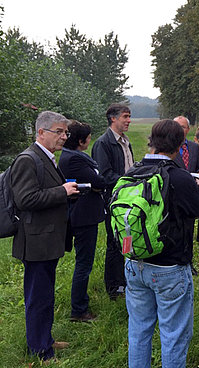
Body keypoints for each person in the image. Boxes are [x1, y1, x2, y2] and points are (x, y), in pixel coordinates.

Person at [124, 119, 199, 368]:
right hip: (170, 266)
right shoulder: (180, 178)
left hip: (134, 261)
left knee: (138, 331)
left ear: (152, 140)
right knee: (173, 335)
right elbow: (198, 210)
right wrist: (197, 188)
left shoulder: (132, 173)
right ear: (181, 143)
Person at [11, 111, 80, 361]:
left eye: (66, 132)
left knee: (45, 294)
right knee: (37, 298)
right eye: (59, 132)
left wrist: (65, 192)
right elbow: (25, 199)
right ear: (41, 132)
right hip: (36, 242)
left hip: (47, 240)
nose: (64, 137)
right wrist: (62, 192)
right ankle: (40, 350)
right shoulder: (28, 160)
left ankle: (45, 339)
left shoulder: (47, 157)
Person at [58, 121, 106, 322]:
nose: (89, 140)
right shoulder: (75, 160)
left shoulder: (71, 156)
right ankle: (79, 309)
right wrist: (97, 185)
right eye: (88, 137)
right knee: (84, 263)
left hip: (82, 214)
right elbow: (99, 182)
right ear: (81, 140)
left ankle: (80, 304)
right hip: (83, 217)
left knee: (84, 262)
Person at [91, 103, 134, 300]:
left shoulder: (125, 141)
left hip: (129, 199)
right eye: (125, 116)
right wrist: (130, 181)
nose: (128, 120)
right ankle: (113, 286)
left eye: (129, 116)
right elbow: (104, 176)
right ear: (113, 118)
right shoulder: (103, 143)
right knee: (114, 242)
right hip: (113, 201)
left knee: (127, 238)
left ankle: (124, 279)